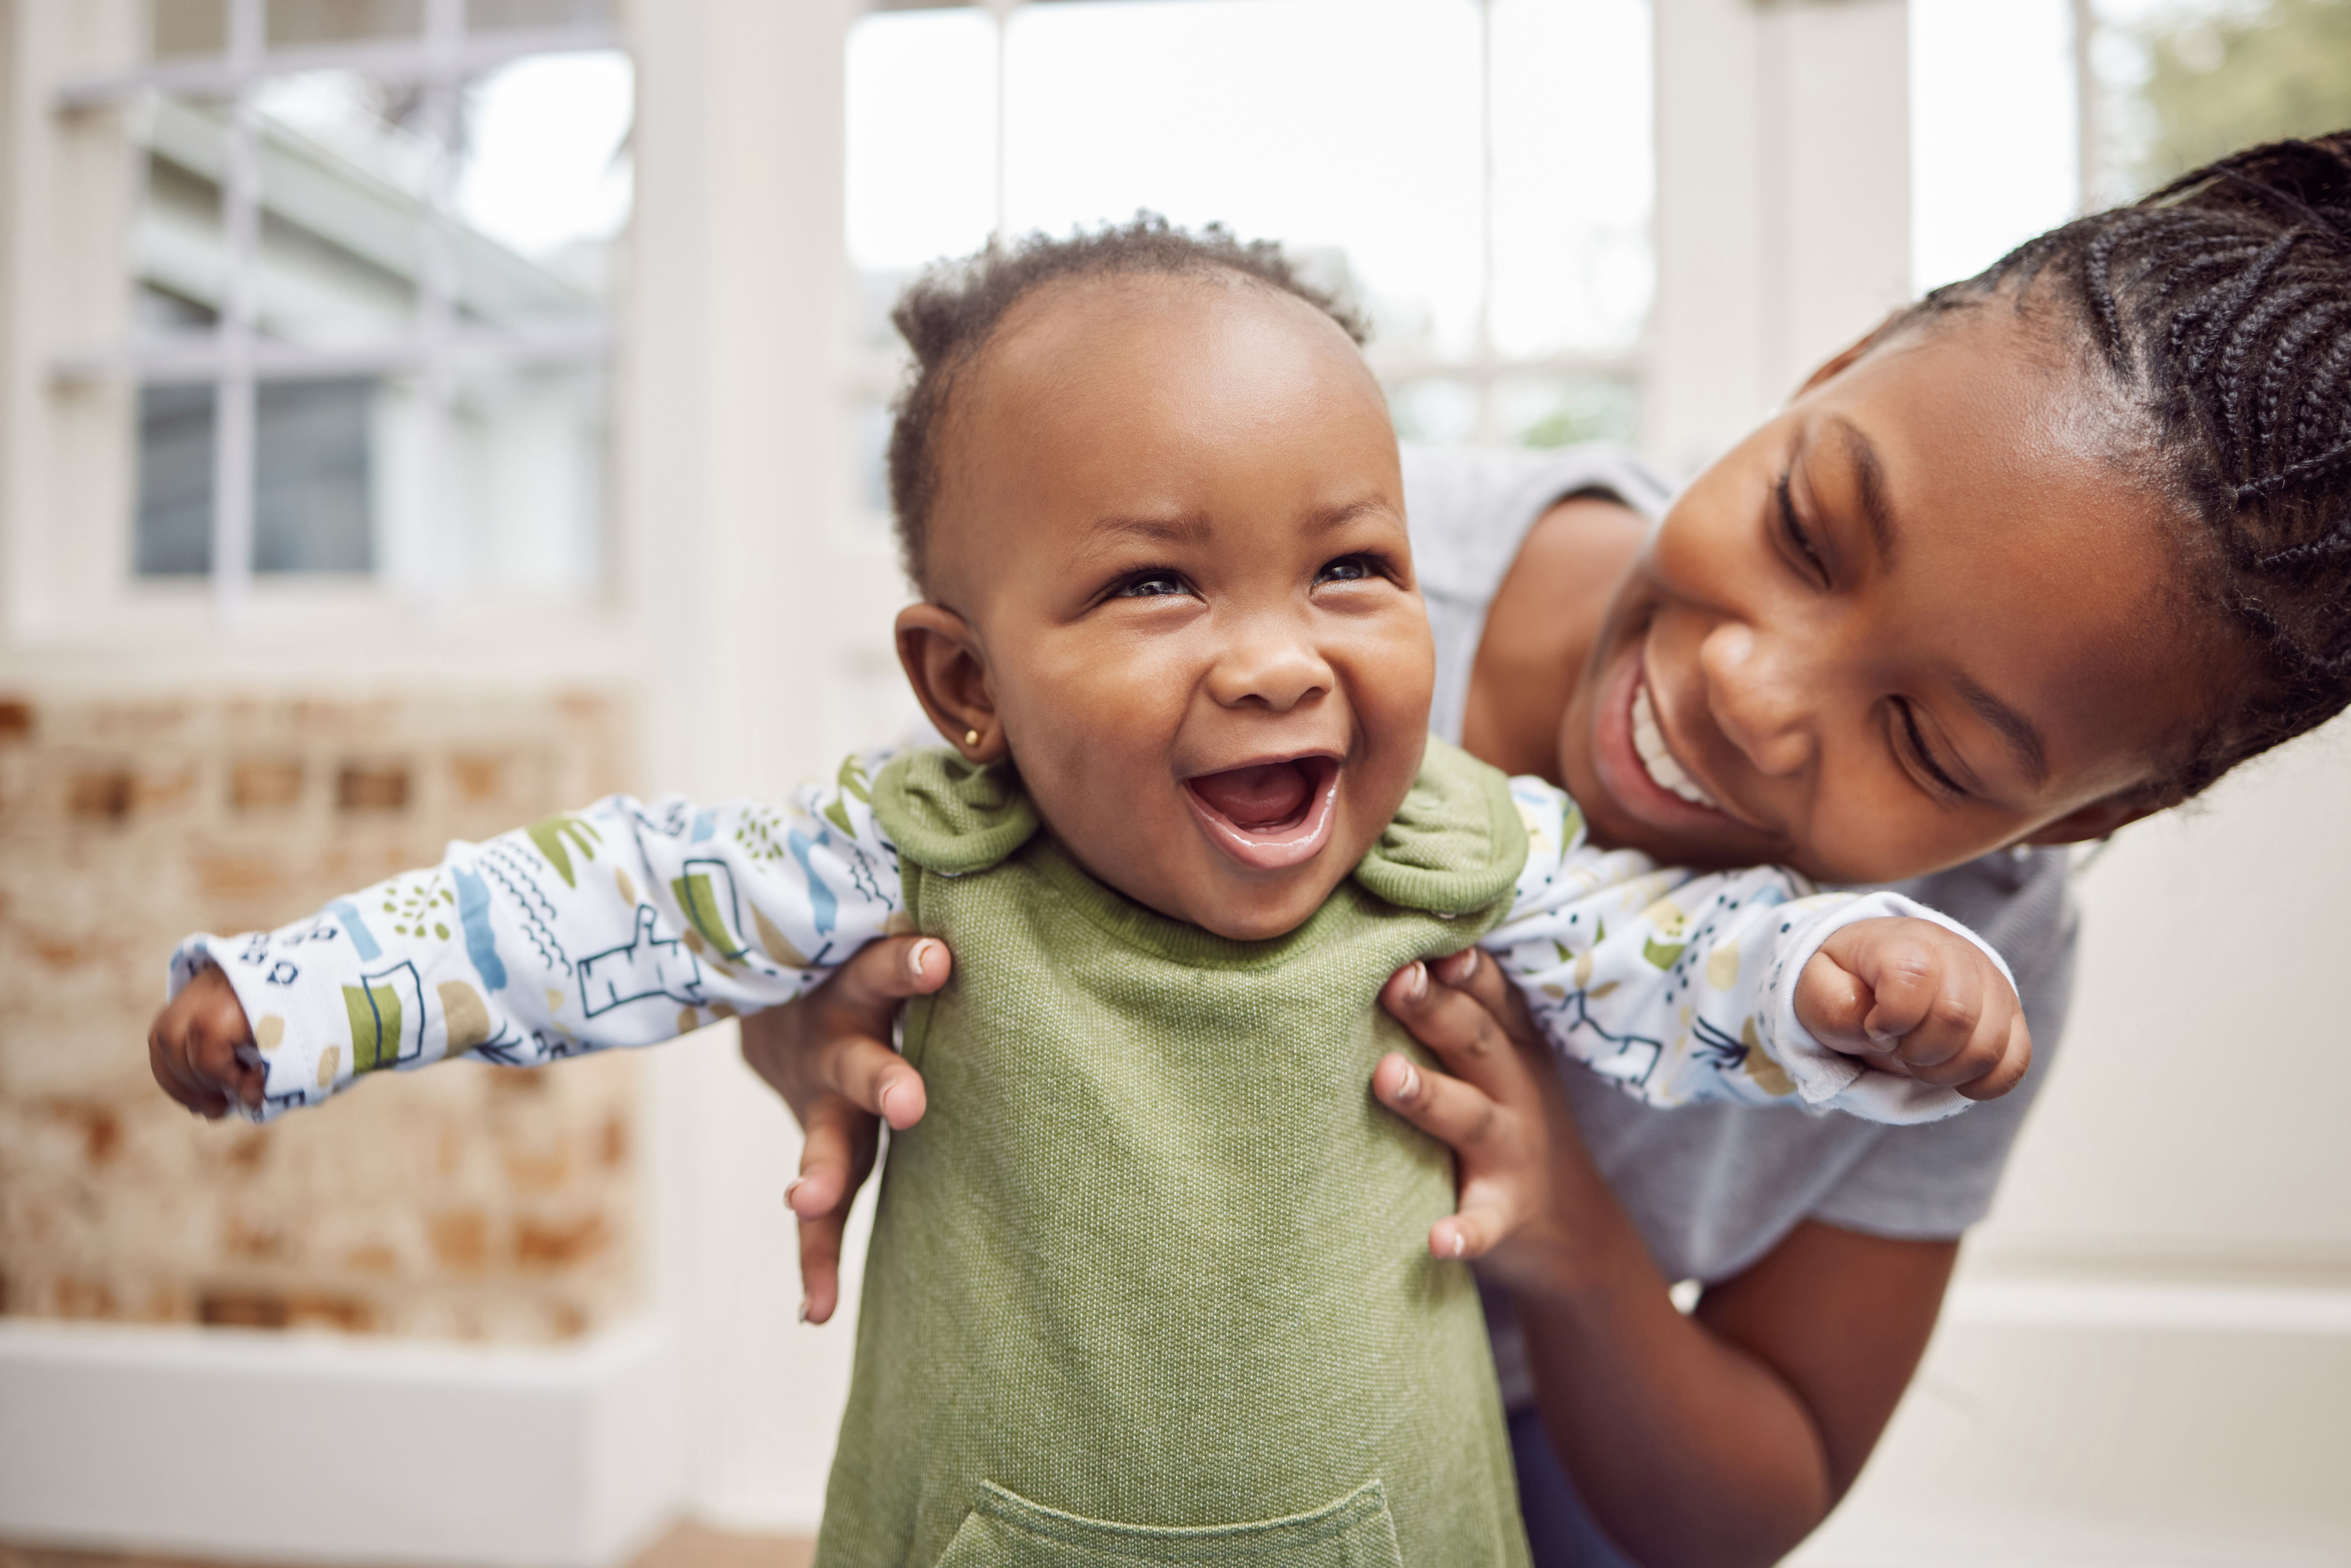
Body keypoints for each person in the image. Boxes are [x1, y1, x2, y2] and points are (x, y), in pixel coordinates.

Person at [148, 221, 2026, 1567]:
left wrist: (1856, 970)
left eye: (1351, 569)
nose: (1278, 659)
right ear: (966, 683)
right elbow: (605, 903)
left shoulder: (1461, 846)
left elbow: (1678, 959)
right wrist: (305, 994)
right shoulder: (905, 851)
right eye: (1156, 586)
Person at [739, 133, 2351, 1565]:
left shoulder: (1959, 957)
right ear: (1832, 371)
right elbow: (869, 896)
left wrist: (1568, 1234)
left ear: (2083, 818)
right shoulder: (1259, 574)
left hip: (1553, 1456)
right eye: (1804, 529)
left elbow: (1749, 1499)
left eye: (1928, 743)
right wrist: (815, 1025)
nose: (1748, 688)